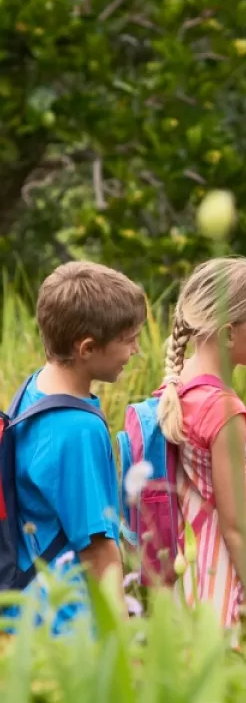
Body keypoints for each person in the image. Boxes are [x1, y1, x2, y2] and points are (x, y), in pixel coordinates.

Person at [156, 256, 246, 657]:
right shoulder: (223, 410)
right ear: (230, 333)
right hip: (217, 591)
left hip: (180, 585)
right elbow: (236, 529)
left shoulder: (175, 394)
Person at [12, 261, 146, 635]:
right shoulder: (78, 429)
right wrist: (123, 650)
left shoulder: (34, 389)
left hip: (25, 603)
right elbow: (100, 552)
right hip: (65, 622)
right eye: (128, 339)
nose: (135, 349)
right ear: (87, 348)